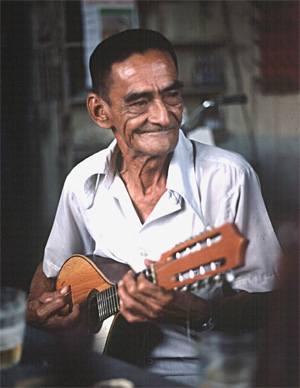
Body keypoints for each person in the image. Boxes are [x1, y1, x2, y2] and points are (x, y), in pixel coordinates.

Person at [26, 29, 282, 386]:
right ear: (100, 111)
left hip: (195, 372)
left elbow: (270, 302)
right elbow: (51, 267)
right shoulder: (82, 181)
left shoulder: (229, 178)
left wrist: (202, 312)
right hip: (100, 363)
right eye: (139, 101)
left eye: (172, 94)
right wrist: (41, 308)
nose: (164, 116)